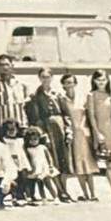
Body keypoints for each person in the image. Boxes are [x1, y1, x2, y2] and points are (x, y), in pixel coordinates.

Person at [26, 67, 73, 202]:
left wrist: (68, 131)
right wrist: (42, 134)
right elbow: (35, 118)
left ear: (52, 78)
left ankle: (65, 190)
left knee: (64, 160)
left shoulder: (58, 94)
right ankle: (59, 191)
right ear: (39, 78)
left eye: (48, 77)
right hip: (47, 130)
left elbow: (66, 114)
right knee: (52, 161)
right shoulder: (36, 96)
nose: (45, 79)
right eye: (43, 77)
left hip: (60, 129)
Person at [86, 69, 111, 200]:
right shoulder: (92, 95)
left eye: (103, 79)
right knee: (109, 163)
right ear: (94, 81)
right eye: (98, 80)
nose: (101, 82)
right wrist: (97, 133)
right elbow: (92, 116)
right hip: (102, 132)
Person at [60, 74, 98, 201]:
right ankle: (85, 194)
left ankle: (93, 194)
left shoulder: (83, 98)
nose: (69, 85)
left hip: (84, 133)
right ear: (63, 85)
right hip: (73, 135)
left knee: (88, 164)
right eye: (66, 83)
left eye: (71, 82)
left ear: (75, 84)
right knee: (78, 165)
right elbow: (64, 116)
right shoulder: (62, 99)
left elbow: (89, 115)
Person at [0, 54, 29, 135]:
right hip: (3, 126)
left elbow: (27, 106)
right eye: (1, 65)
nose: (5, 67)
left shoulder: (22, 85)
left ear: (12, 65)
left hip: (21, 125)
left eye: (7, 64)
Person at [23, 126, 59, 203]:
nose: (33, 141)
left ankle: (55, 197)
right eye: (31, 140)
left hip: (44, 168)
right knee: (39, 184)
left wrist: (51, 166)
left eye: (35, 139)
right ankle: (43, 199)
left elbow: (49, 157)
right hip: (36, 169)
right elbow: (28, 160)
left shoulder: (42, 147)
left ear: (39, 138)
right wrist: (30, 169)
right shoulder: (28, 149)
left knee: (48, 184)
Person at [0, 119, 30, 205]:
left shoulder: (20, 140)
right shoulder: (4, 140)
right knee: (13, 178)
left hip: (21, 161)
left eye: (13, 129)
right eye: (8, 129)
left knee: (23, 178)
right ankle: (14, 197)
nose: (11, 131)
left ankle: (24, 195)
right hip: (10, 161)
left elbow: (22, 151)